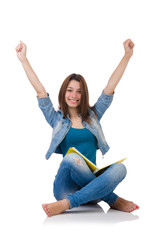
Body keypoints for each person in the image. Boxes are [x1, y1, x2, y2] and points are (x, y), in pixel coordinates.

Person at [15, 39, 139, 217]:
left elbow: (109, 88)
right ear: (63, 92)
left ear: (84, 94)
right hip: (66, 188)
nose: (74, 95)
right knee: (72, 158)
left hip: (93, 190)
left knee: (121, 169)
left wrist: (127, 56)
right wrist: (23, 60)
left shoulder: (93, 116)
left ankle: (68, 204)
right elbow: (41, 92)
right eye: (70, 90)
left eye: (79, 91)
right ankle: (112, 199)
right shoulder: (56, 119)